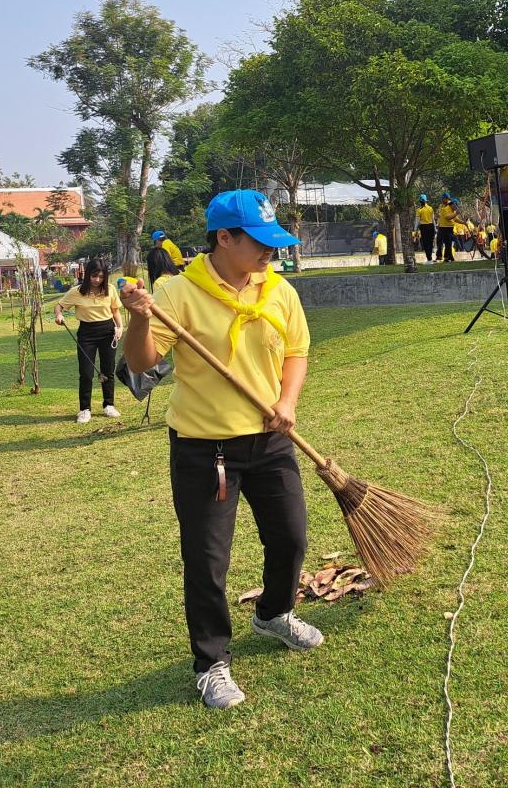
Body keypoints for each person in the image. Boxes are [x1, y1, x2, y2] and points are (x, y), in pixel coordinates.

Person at [119, 189, 320, 710]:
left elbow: (296, 351)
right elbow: (142, 363)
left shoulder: (278, 290)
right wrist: (140, 317)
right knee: (208, 560)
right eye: (259, 243)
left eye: (273, 245)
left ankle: (274, 613)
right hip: (207, 449)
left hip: (272, 437)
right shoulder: (178, 294)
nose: (269, 254)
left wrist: (287, 400)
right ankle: (211, 662)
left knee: (291, 537)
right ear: (223, 238)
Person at [55, 257, 123, 424]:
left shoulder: (110, 289)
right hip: (86, 333)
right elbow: (60, 305)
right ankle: (84, 409)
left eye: (100, 277)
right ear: (87, 275)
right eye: (94, 276)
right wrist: (58, 315)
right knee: (86, 373)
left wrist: (119, 327)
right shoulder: (77, 291)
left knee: (108, 370)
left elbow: (115, 311)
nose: (97, 280)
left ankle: (109, 404)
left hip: (107, 331)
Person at [436, 192, 461, 263]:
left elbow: (455, 218)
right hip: (443, 227)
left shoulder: (451, 207)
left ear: (446, 199)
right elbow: (448, 217)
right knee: (443, 242)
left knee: (448, 243)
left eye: (443, 199)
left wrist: (464, 223)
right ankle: (444, 257)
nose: (442, 200)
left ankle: (447, 258)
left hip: (448, 227)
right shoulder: (445, 207)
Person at [415, 193, 436, 263]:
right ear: (426, 201)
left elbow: (417, 221)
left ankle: (429, 259)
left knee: (425, 243)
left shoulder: (419, 210)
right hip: (431, 226)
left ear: (420, 201)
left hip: (424, 227)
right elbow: (433, 220)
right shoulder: (430, 208)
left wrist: (415, 229)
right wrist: (435, 228)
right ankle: (430, 259)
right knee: (430, 243)